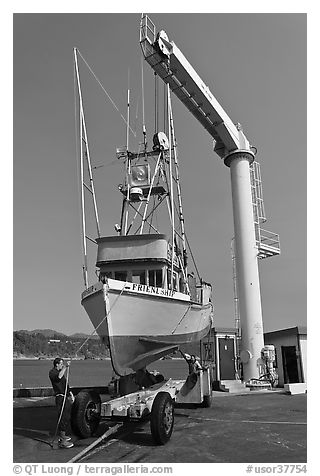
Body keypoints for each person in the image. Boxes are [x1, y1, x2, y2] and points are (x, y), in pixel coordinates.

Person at [49, 357, 75, 449]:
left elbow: (65, 384)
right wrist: (66, 367)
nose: (62, 365)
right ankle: (62, 440)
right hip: (60, 397)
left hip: (65, 396)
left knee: (67, 416)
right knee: (62, 416)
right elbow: (58, 377)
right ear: (57, 364)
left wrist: (70, 394)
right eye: (61, 364)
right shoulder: (52, 373)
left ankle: (63, 435)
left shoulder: (62, 372)